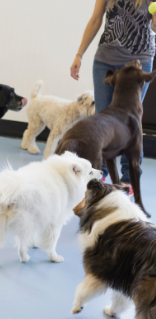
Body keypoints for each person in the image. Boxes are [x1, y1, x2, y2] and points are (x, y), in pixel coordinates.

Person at [70, 0, 156, 189]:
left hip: (137, 63)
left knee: (130, 121)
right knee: (101, 120)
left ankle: (129, 176)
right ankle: (97, 173)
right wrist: (79, 54)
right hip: (104, 61)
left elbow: (154, 27)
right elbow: (95, 19)